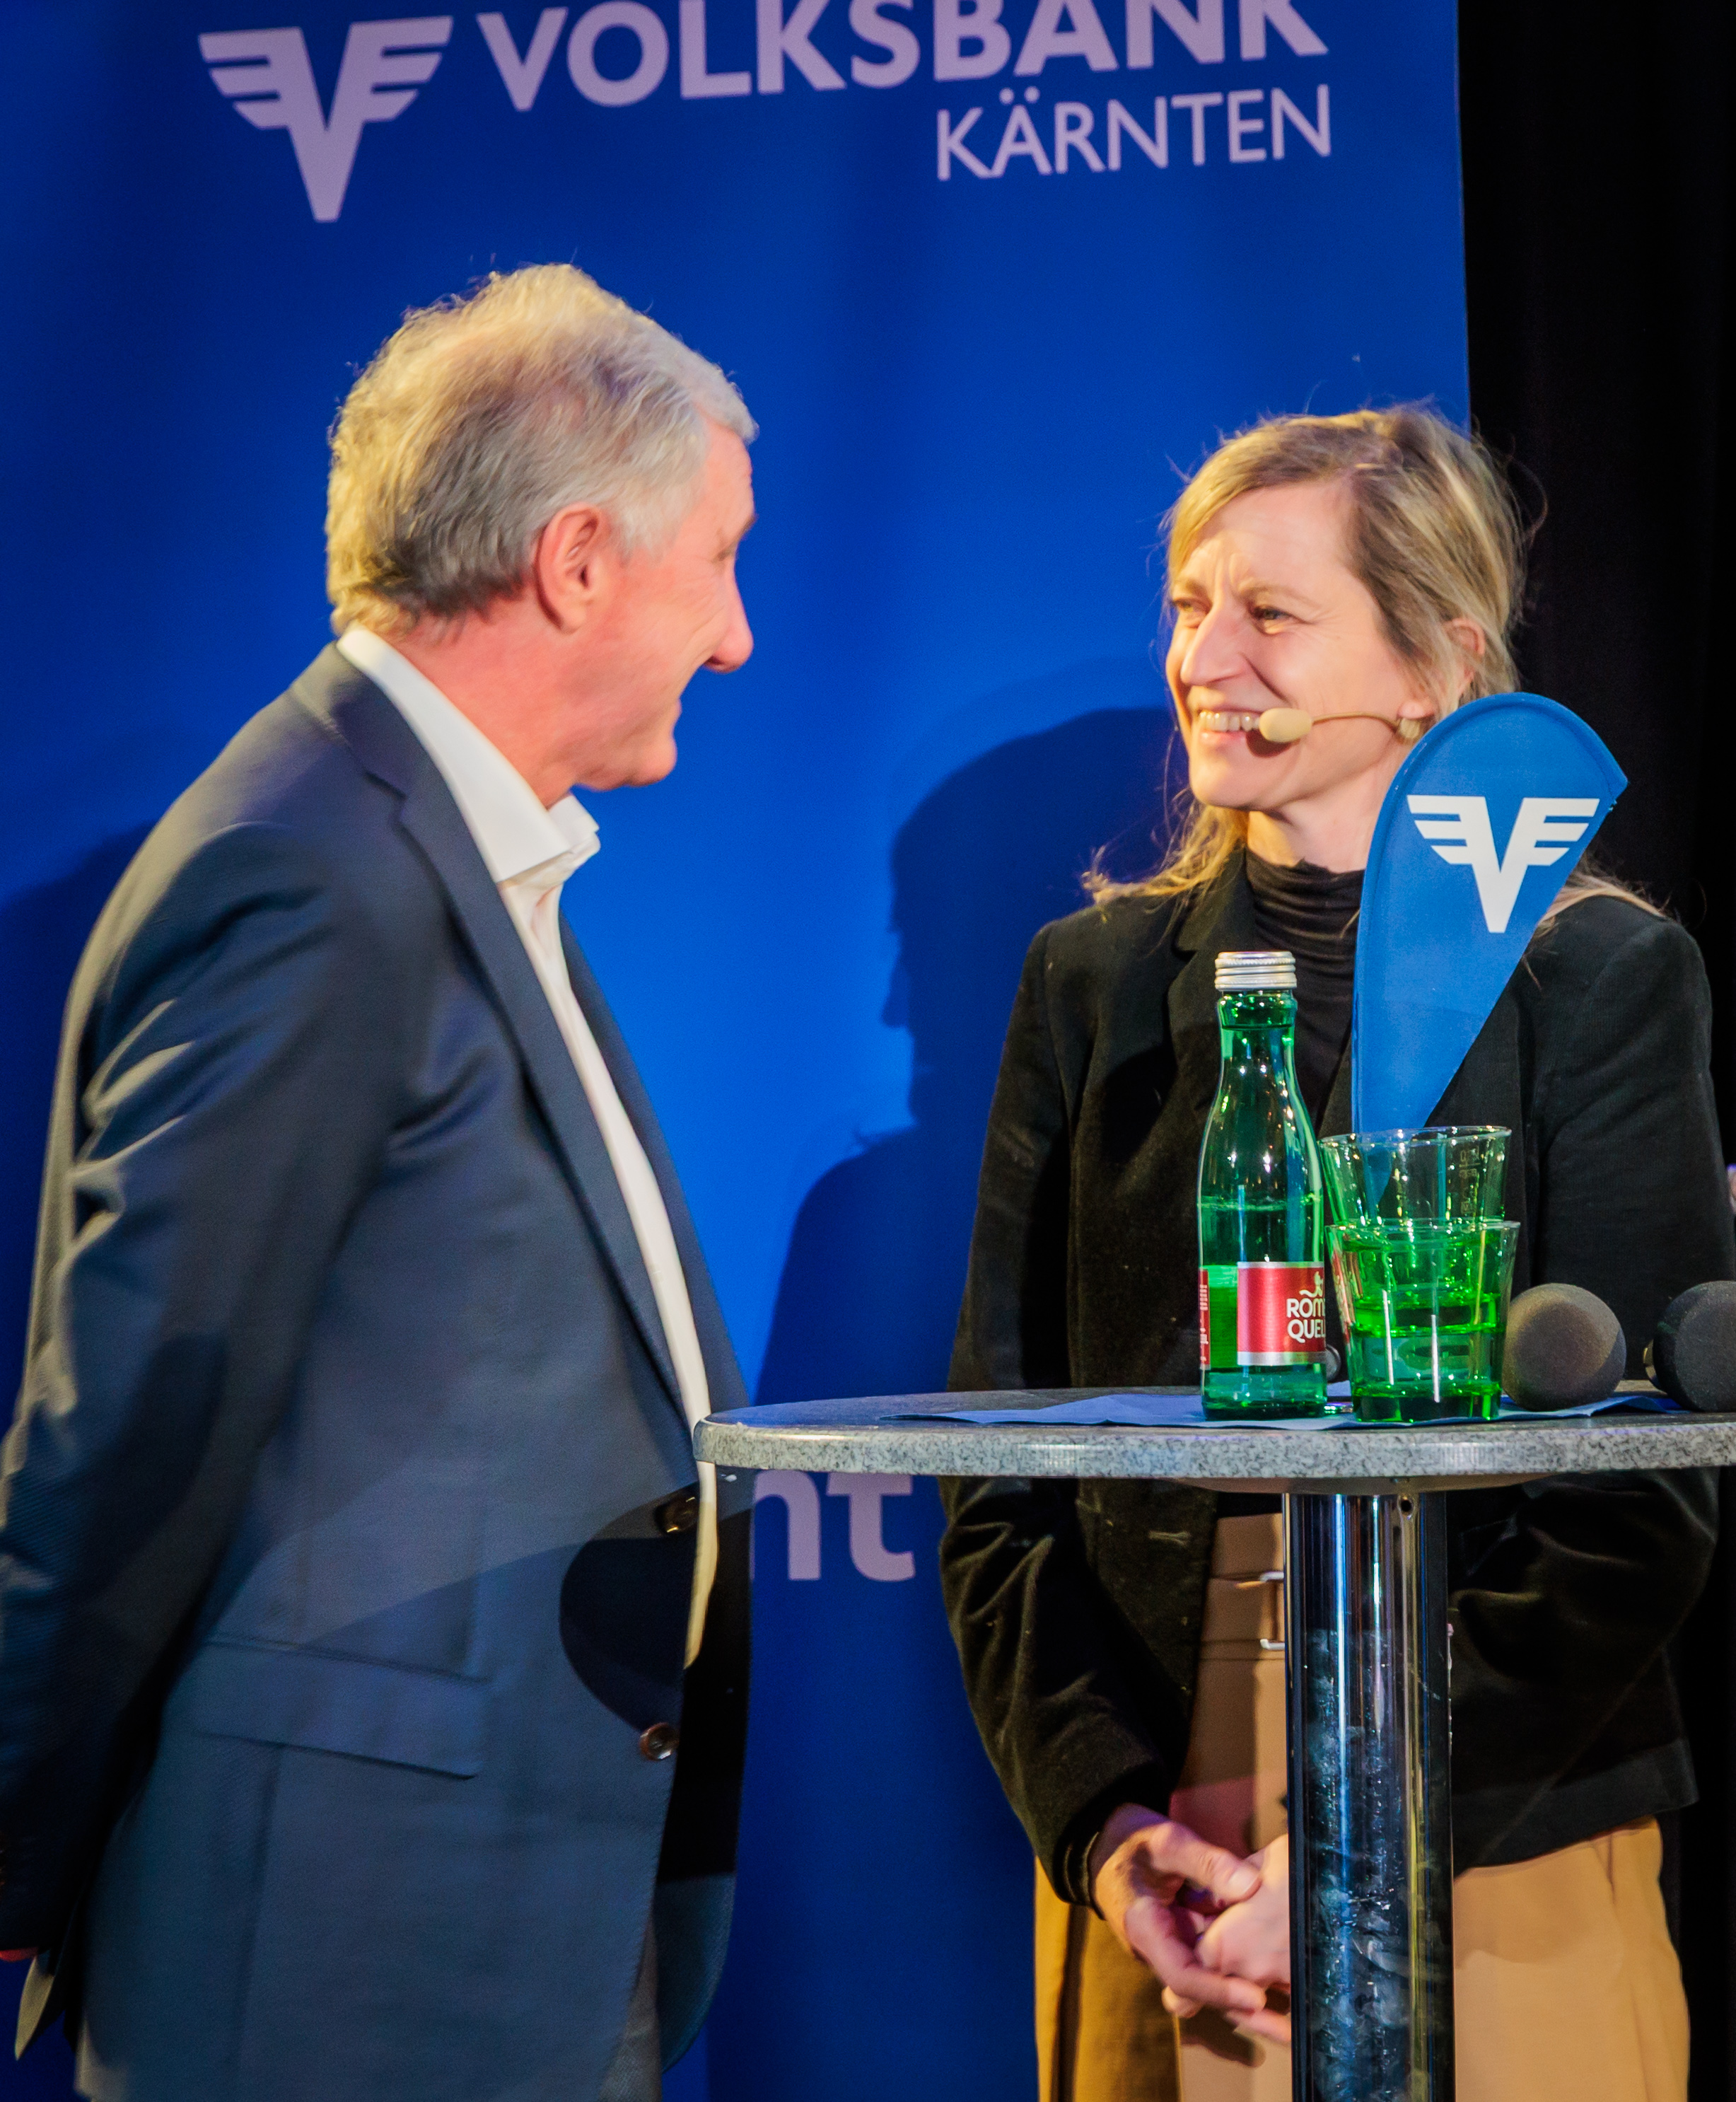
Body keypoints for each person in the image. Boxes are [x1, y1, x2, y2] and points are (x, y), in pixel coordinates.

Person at [0, 264, 757, 2102]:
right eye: (720, 561)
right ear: (578, 562)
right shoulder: (311, 872)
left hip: (510, 1906)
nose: (734, 636)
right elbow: (138, 1415)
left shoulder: (445, 851)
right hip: (340, 1946)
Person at [938, 406, 1733, 2102]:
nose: (1201, 660)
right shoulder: (1089, 984)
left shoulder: (1596, 980)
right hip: (1172, 1850)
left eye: (1269, 615)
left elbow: (1642, 1489)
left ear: (1436, 667)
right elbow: (999, 1471)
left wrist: (1378, 1825)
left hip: (1498, 1809)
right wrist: (1105, 1823)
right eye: (1185, 607)